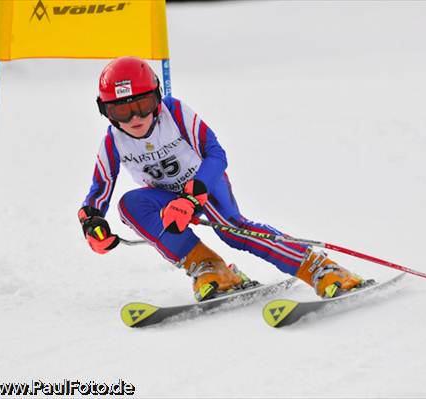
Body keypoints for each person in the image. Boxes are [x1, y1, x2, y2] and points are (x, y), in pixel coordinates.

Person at [78, 56, 369, 302]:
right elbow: (100, 189)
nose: (134, 119)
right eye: (121, 110)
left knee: (233, 230)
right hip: (169, 199)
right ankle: (210, 267)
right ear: (106, 112)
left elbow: (216, 154)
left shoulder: (175, 113)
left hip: (205, 184)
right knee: (130, 205)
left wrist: (193, 196)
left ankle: (319, 267)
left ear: (156, 98)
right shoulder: (113, 142)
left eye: (141, 105)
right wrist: (92, 222)